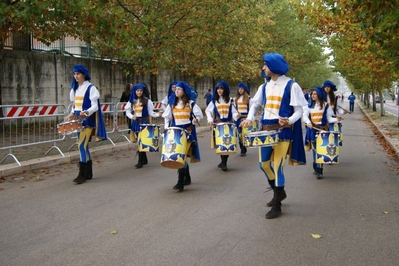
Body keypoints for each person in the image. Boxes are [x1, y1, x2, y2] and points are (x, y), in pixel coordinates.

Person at [240, 53, 308, 219]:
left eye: (265, 65)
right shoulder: (264, 87)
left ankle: (277, 204)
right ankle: (280, 191)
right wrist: (249, 118)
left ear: (274, 66)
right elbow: (255, 105)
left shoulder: (292, 85)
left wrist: (289, 120)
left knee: (277, 166)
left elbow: (300, 109)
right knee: (263, 165)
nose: (263, 68)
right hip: (265, 131)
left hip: (282, 132)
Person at [65, 64, 107, 184]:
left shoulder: (91, 88)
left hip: (87, 120)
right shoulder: (76, 88)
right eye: (74, 74)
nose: (76, 76)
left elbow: (94, 106)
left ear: (83, 74)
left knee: (81, 146)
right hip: (78, 119)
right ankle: (88, 172)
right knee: (83, 146)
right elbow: (76, 105)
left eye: (78, 73)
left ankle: (82, 174)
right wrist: (71, 113)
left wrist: (87, 112)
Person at [162, 81, 203, 191]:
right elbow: (166, 116)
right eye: (176, 89)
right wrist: (167, 128)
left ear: (184, 91)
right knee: (181, 156)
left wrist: (196, 120)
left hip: (187, 133)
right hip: (175, 133)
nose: (177, 91)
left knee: (181, 156)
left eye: (179, 89)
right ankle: (187, 177)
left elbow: (199, 115)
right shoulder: (172, 104)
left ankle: (180, 182)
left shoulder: (191, 103)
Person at [303, 87, 341, 179]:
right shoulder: (308, 105)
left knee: (320, 149)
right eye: (312, 94)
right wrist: (308, 122)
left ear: (319, 95)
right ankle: (316, 166)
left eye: (315, 94)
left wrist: (336, 119)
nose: (312, 95)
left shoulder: (325, 105)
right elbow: (304, 116)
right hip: (312, 130)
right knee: (315, 149)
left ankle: (319, 170)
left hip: (322, 130)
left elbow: (329, 118)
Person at [205, 81, 239, 171]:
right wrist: (209, 119)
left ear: (225, 90)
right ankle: (223, 162)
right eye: (218, 89)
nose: (219, 90)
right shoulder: (214, 101)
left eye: (221, 88)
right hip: (218, 125)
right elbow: (208, 111)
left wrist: (236, 116)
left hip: (228, 124)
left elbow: (234, 113)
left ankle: (224, 162)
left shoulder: (231, 101)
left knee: (227, 142)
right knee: (220, 143)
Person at [124, 83, 159, 168]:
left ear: (143, 92)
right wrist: (132, 116)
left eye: (140, 91)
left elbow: (151, 112)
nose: (139, 92)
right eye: (137, 91)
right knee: (139, 141)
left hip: (144, 122)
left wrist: (158, 114)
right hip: (136, 122)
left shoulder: (147, 101)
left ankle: (140, 161)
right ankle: (144, 159)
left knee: (141, 141)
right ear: (135, 91)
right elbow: (127, 111)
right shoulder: (131, 101)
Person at [234, 82, 251, 156]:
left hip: (245, 119)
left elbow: (251, 109)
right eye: (239, 89)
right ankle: (242, 148)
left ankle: (244, 148)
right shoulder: (235, 99)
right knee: (239, 134)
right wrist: (236, 115)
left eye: (242, 89)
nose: (240, 90)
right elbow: (234, 110)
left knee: (245, 134)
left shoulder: (249, 98)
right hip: (238, 119)